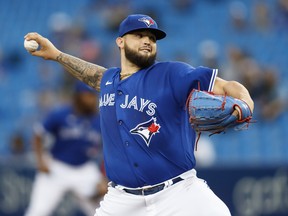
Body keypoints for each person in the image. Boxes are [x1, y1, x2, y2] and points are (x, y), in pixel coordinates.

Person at [25, 14, 254, 216]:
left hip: (179, 193)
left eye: (152, 38)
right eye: (139, 35)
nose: (147, 41)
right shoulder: (110, 81)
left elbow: (228, 86)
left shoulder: (172, 73)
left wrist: (246, 103)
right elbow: (94, 75)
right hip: (121, 201)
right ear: (120, 42)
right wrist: (57, 55)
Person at [24, 81, 107, 216]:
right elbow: (38, 134)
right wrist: (40, 160)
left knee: (102, 211)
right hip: (56, 168)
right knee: (38, 211)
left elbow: (108, 150)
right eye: (86, 95)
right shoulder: (61, 114)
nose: (90, 99)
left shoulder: (99, 120)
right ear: (77, 96)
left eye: (92, 95)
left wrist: (104, 178)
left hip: (84, 169)